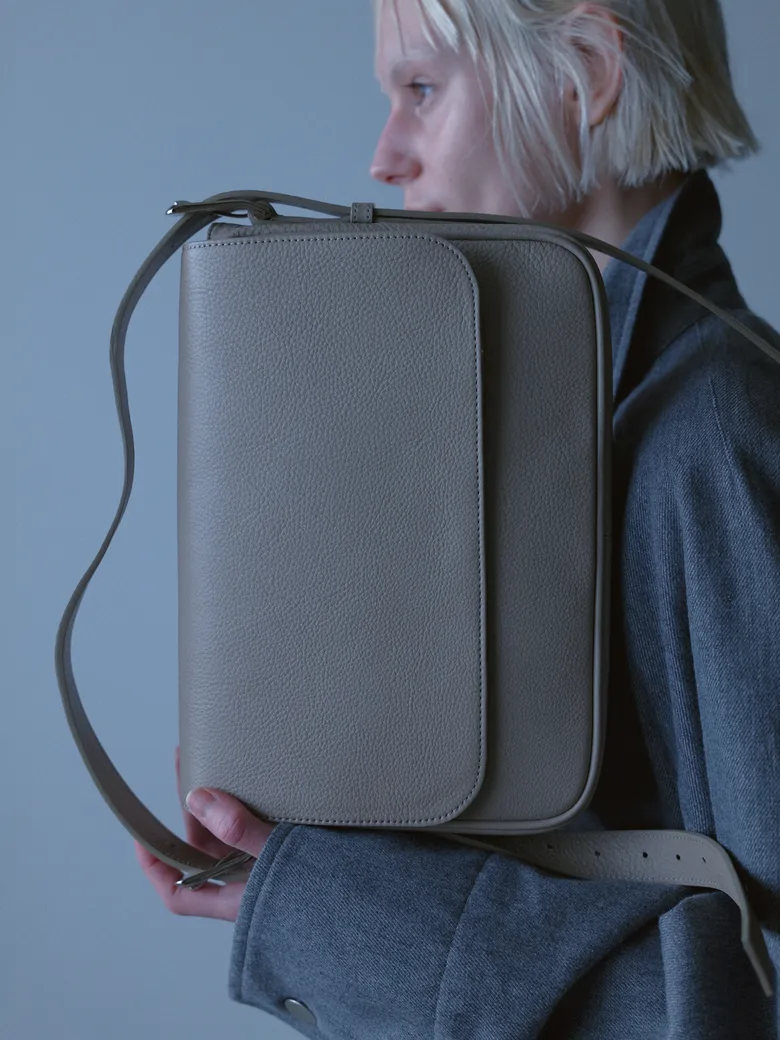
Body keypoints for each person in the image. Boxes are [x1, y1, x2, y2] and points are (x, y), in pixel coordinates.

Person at [135, 0, 780, 1035]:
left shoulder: (716, 430)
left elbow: (761, 983)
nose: (385, 155)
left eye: (422, 89)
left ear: (585, 70)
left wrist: (338, 918)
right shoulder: (589, 416)